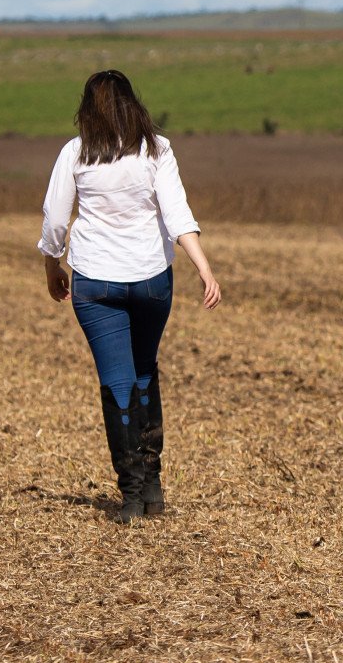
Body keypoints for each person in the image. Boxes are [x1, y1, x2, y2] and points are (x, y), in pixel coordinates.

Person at [39, 70, 221, 523]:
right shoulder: (155, 148)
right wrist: (203, 267)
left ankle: (133, 497)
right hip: (151, 280)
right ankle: (153, 487)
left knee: (119, 382)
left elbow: (57, 220)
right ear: (131, 104)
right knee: (144, 372)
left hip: (96, 283)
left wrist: (51, 266)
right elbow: (177, 212)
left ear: (88, 108)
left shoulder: (75, 152)